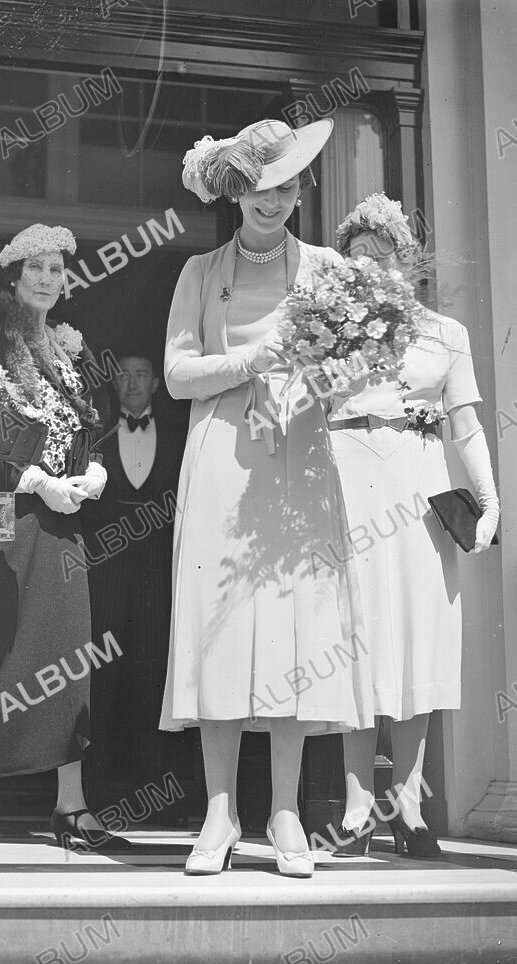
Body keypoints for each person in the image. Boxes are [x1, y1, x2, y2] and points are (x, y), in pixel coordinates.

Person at [159, 118, 374, 878]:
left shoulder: (327, 270)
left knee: (296, 624)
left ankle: (286, 809)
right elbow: (179, 375)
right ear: (234, 190)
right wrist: (254, 361)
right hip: (221, 455)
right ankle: (221, 810)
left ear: (300, 191)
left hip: (302, 454)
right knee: (219, 623)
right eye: (258, 185)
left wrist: (313, 379)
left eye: (285, 185)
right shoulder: (199, 272)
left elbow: (358, 370)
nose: (271, 200)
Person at [325, 193, 499, 858]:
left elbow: (468, 423)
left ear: (406, 261)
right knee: (354, 633)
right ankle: (354, 806)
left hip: (418, 477)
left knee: (419, 635)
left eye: (382, 257)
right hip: (349, 471)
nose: (371, 270)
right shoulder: (329, 333)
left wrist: (490, 503)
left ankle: (411, 801)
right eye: (357, 260)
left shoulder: (445, 334)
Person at [0, 224, 125, 851]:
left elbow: (91, 426)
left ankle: (70, 803)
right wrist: (35, 480)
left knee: (66, 657)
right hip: (7, 515)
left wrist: (95, 469)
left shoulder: (69, 347)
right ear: (13, 272)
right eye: (38, 267)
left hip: (63, 523)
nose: (50, 279)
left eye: (59, 269)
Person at [84, 356, 188, 813]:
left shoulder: (182, 435)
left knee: (154, 674)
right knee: (99, 677)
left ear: (157, 385)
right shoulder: (98, 432)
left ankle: (156, 792)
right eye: (123, 373)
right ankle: (93, 791)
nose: (131, 383)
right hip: (105, 565)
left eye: (142, 374)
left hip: (157, 569)